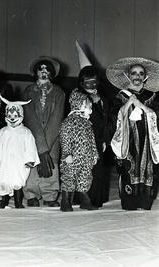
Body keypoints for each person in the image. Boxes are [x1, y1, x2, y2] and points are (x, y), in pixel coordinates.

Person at [106, 57, 159, 210]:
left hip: (147, 142)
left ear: (145, 77)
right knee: (128, 169)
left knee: (148, 170)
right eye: (134, 73)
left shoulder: (153, 96)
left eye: (141, 73)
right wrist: (129, 103)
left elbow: (157, 116)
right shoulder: (119, 97)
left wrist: (140, 105)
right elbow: (113, 119)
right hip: (128, 142)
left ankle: (145, 201)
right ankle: (129, 202)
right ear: (128, 75)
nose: (137, 76)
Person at [22, 56, 65, 207]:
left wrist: (45, 149)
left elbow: (57, 118)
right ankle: (31, 194)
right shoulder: (28, 92)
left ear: (52, 73)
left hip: (52, 138)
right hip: (32, 136)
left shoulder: (59, 92)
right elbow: (30, 117)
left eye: (47, 69)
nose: (44, 72)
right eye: (41, 69)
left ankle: (50, 195)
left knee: (51, 163)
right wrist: (40, 147)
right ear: (35, 72)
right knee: (32, 164)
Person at [75, 41, 110, 208]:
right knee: (83, 168)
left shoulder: (103, 99)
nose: (92, 85)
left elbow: (107, 120)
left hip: (98, 140)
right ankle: (82, 198)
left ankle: (96, 198)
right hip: (83, 141)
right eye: (87, 82)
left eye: (94, 81)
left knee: (98, 170)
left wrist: (105, 139)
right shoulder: (77, 98)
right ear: (81, 83)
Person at [0, 95, 40, 209]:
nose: (12, 118)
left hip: (19, 162)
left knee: (18, 181)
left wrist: (30, 160)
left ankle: (18, 202)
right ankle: (4, 201)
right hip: (5, 162)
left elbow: (31, 147)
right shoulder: (2, 132)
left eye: (15, 115)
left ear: (21, 116)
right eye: (10, 115)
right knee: (4, 180)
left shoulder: (26, 133)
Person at [60, 89, 99, 211]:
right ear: (77, 105)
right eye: (86, 105)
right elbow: (65, 138)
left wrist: (94, 153)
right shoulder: (68, 122)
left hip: (86, 157)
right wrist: (67, 153)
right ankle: (65, 201)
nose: (89, 108)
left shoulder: (87, 123)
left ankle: (84, 200)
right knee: (69, 177)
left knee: (85, 177)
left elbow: (91, 140)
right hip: (73, 157)